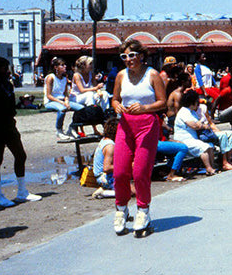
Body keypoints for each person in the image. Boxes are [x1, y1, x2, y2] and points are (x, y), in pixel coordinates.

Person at [111, 39, 167, 238]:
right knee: (119, 172)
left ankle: (143, 211)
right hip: (125, 125)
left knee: (141, 170)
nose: (128, 60)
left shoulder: (153, 75)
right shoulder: (120, 76)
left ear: (141, 56)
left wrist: (144, 108)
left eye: (132, 55)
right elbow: (115, 98)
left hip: (147, 125)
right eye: (124, 57)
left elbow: (163, 103)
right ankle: (121, 209)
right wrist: (116, 105)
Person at [0, 57, 42, 207]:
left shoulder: (7, 85)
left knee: (20, 155)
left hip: (9, 125)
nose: (8, 71)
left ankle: (22, 191)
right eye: (4, 68)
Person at [173, 89, 220, 176]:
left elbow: (198, 123)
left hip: (192, 138)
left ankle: (212, 166)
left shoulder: (192, 112)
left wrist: (200, 124)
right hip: (184, 140)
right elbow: (194, 125)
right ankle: (208, 168)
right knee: (204, 147)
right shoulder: (184, 111)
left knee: (210, 146)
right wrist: (201, 125)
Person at [44, 57, 85, 139]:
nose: (65, 66)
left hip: (62, 100)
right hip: (51, 101)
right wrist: (62, 103)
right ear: (56, 67)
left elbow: (66, 93)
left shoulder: (64, 79)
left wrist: (66, 101)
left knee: (81, 108)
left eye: (64, 65)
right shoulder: (50, 77)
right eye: (62, 65)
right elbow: (49, 95)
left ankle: (72, 127)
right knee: (62, 109)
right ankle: (59, 130)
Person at [91, 117, 118, 199]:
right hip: (104, 177)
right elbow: (106, 168)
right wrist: (125, 167)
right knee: (130, 192)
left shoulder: (104, 140)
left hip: (99, 175)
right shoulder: (110, 146)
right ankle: (104, 192)